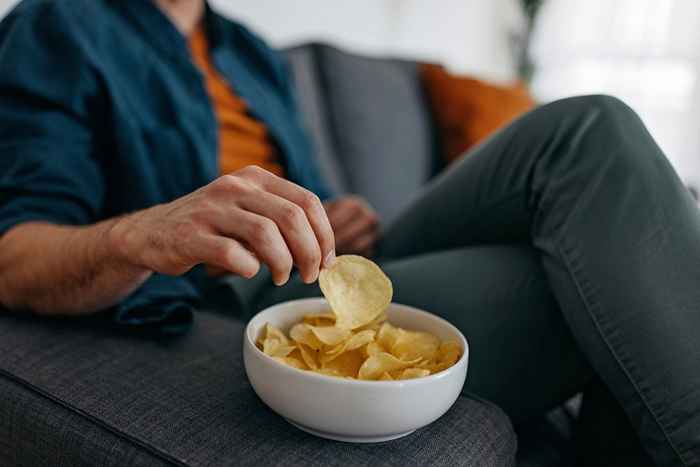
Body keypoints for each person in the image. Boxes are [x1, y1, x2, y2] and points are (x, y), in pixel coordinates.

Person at [0, 1, 697, 465]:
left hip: (339, 260)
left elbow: (305, 193)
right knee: (597, 278)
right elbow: (14, 255)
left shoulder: (246, 51)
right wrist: (147, 232)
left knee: (587, 128)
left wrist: (331, 215)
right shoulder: (57, 26)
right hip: (238, 291)